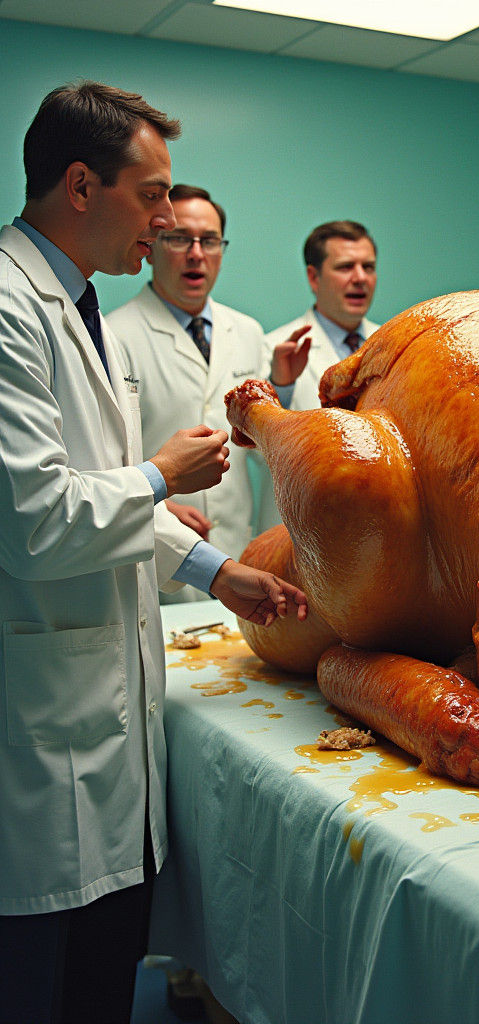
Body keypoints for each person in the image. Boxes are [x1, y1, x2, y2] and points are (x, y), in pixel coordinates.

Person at [0, 81, 307, 1023]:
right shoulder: (11, 308)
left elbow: (106, 500)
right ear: (82, 186)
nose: (170, 221)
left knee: (103, 980)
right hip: (47, 717)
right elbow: (39, 519)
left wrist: (219, 574)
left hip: (109, 711)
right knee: (44, 991)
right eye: (154, 195)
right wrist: (161, 475)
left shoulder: (77, 304)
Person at [107, 184, 306, 601]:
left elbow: (255, 448)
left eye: (209, 240)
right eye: (180, 238)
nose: (196, 252)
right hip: (157, 561)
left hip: (236, 552)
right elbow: (107, 458)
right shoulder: (114, 335)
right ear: (152, 245)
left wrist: (282, 388)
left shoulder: (248, 332)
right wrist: (155, 503)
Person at [257, 219, 379, 529]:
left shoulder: (392, 346)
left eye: (368, 266)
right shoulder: (272, 347)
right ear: (314, 277)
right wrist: (281, 385)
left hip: (378, 526)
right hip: (302, 531)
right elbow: (256, 452)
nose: (360, 278)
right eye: (345, 267)